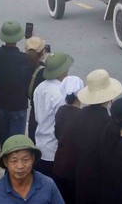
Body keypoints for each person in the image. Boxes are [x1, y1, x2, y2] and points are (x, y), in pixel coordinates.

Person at [74, 69, 122, 204]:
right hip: (99, 183)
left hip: (80, 175)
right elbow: (111, 160)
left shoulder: (82, 113)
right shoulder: (109, 124)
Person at [0, 135, 65, 204]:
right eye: (14, 161)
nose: (20, 166)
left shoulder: (48, 185)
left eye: (25, 160)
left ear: (32, 159)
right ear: (6, 162)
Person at [0, 21, 30, 146]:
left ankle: (6, 163)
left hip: (2, 102)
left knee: (5, 139)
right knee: (17, 142)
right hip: (19, 104)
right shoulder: (24, 58)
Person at [33, 52, 75, 180]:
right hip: (54, 150)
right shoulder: (61, 94)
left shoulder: (40, 87)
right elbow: (64, 126)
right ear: (62, 71)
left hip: (40, 144)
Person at [53, 76, 85, 204]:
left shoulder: (61, 110)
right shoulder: (82, 116)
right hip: (73, 169)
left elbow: (57, 133)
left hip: (59, 163)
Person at [26, 36, 48, 142]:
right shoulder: (44, 71)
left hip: (32, 106)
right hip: (41, 110)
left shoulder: (23, 64)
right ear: (43, 52)